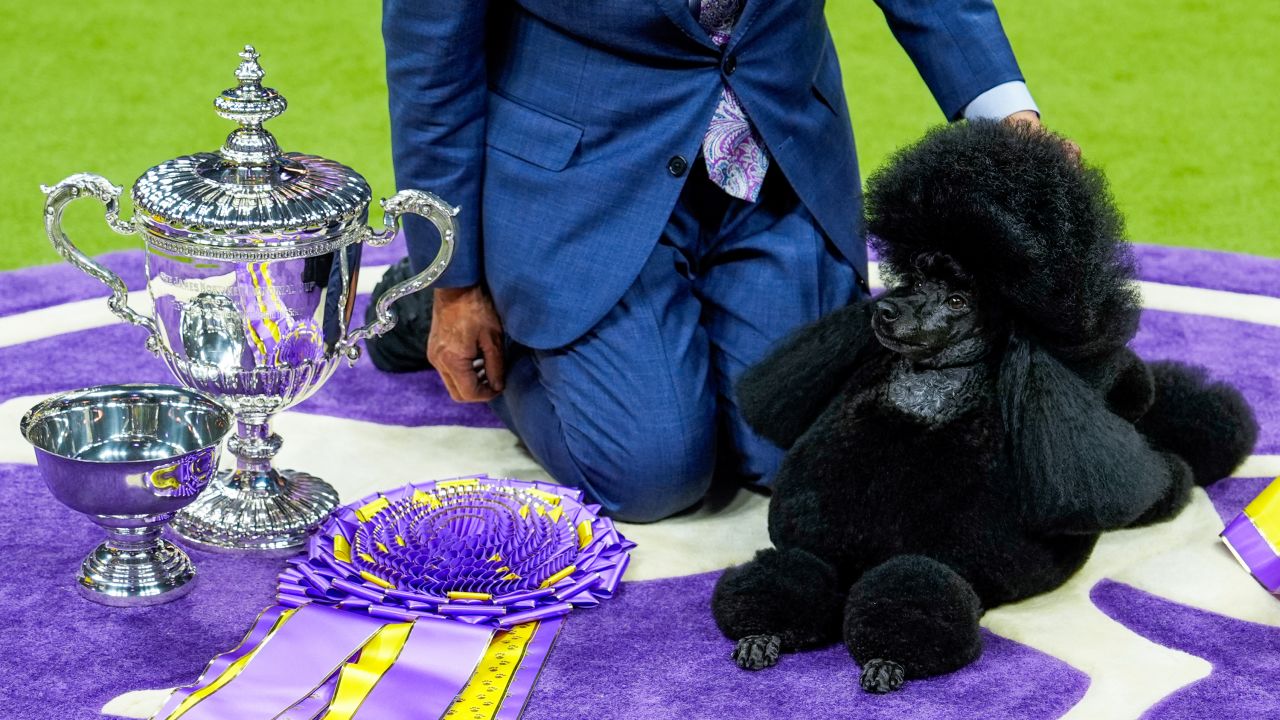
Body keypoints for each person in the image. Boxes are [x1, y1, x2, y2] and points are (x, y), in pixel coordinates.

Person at [380, 0, 1061, 522]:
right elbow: (431, 66)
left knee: (793, 450)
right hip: (585, 178)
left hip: (778, 155)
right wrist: (452, 281)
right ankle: (475, 315)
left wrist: (1011, 121)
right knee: (652, 476)